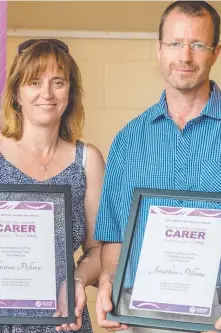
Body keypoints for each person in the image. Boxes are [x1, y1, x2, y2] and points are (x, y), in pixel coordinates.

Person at [94, 1, 221, 332]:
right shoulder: (128, 140)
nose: (185, 56)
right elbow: (113, 237)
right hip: (141, 317)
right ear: (158, 50)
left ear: (216, 52)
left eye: (197, 44)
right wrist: (109, 279)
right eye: (174, 44)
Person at [0, 39, 104, 333]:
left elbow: (97, 249)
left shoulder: (88, 160)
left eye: (57, 82)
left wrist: (78, 282)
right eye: (34, 82)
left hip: (65, 320)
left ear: (70, 93)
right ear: (16, 94)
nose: (46, 93)